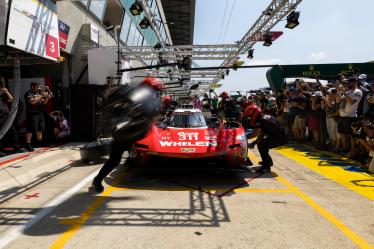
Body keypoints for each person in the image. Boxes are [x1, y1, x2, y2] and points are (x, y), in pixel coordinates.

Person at [92, 78, 163, 193]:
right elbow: (112, 100)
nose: (154, 93)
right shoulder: (133, 93)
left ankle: (132, 175)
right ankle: (97, 181)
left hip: (132, 135)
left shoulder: (147, 100)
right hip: (123, 133)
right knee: (114, 161)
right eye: (154, 90)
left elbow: (149, 117)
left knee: (136, 156)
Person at [242, 104, 288, 174]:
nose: (249, 118)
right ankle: (268, 162)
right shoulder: (263, 117)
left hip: (281, 137)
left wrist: (243, 137)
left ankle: (266, 167)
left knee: (262, 145)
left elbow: (256, 133)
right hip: (281, 135)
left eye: (249, 116)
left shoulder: (260, 120)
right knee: (261, 143)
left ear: (253, 114)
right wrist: (255, 142)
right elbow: (262, 133)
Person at [24, 82, 52, 151]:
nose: (39, 88)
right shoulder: (28, 93)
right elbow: (32, 101)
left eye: (39, 87)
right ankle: (28, 144)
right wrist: (42, 96)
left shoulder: (38, 94)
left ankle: (40, 142)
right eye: (37, 87)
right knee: (30, 129)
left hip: (40, 113)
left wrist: (47, 95)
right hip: (32, 113)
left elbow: (44, 102)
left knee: (40, 128)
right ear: (33, 87)